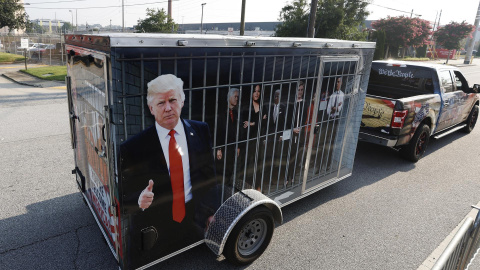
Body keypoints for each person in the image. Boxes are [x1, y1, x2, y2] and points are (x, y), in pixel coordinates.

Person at [120, 74, 219, 267]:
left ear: (182, 101)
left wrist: (210, 211)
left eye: (172, 100)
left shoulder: (200, 130)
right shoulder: (133, 147)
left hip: (192, 219)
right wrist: (138, 200)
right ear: (151, 108)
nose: (168, 108)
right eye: (161, 103)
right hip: (154, 226)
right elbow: (124, 193)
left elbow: (209, 175)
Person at [215, 88, 244, 189]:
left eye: (237, 97)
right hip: (224, 147)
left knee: (232, 169)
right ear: (229, 97)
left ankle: (228, 188)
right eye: (235, 97)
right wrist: (219, 148)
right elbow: (218, 131)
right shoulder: (221, 114)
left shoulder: (236, 113)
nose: (237, 99)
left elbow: (238, 131)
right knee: (224, 170)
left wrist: (238, 146)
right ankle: (223, 189)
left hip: (233, 147)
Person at [261, 89, 287, 192]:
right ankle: (267, 179)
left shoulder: (283, 107)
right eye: (275, 96)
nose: (276, 98)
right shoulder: (270, 108)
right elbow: (266, 125)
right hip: (270, 137)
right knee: (268, 157)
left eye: (278, 96)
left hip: (278, 137)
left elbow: (284, 122)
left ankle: (274, 177)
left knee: (276, 158)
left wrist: (282, 135)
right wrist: (265, 138)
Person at [286, 81, 308, 186]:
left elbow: (305, 119)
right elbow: (287, 121)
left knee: (297, 157)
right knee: (289, 156)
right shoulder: (291, 104)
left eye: (301, 90)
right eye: (298, 90)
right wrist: (292, 129)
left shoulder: (304, 103)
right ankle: (287, 177)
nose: (300, 92)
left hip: (300, 135)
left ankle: (293, 177)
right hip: (291, 134)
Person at [241, 85, 263, 191]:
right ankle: (244, 187)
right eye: (255, 91)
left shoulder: (263, 106)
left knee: (258, 164)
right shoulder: (246, 107)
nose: (257, 93)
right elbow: (243, 124)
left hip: (258, 139)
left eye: (258, 91)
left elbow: (265, 123)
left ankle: (257, 186)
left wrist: (252, 123)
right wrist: (259, 121)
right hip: (248, 140)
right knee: (245, 165)